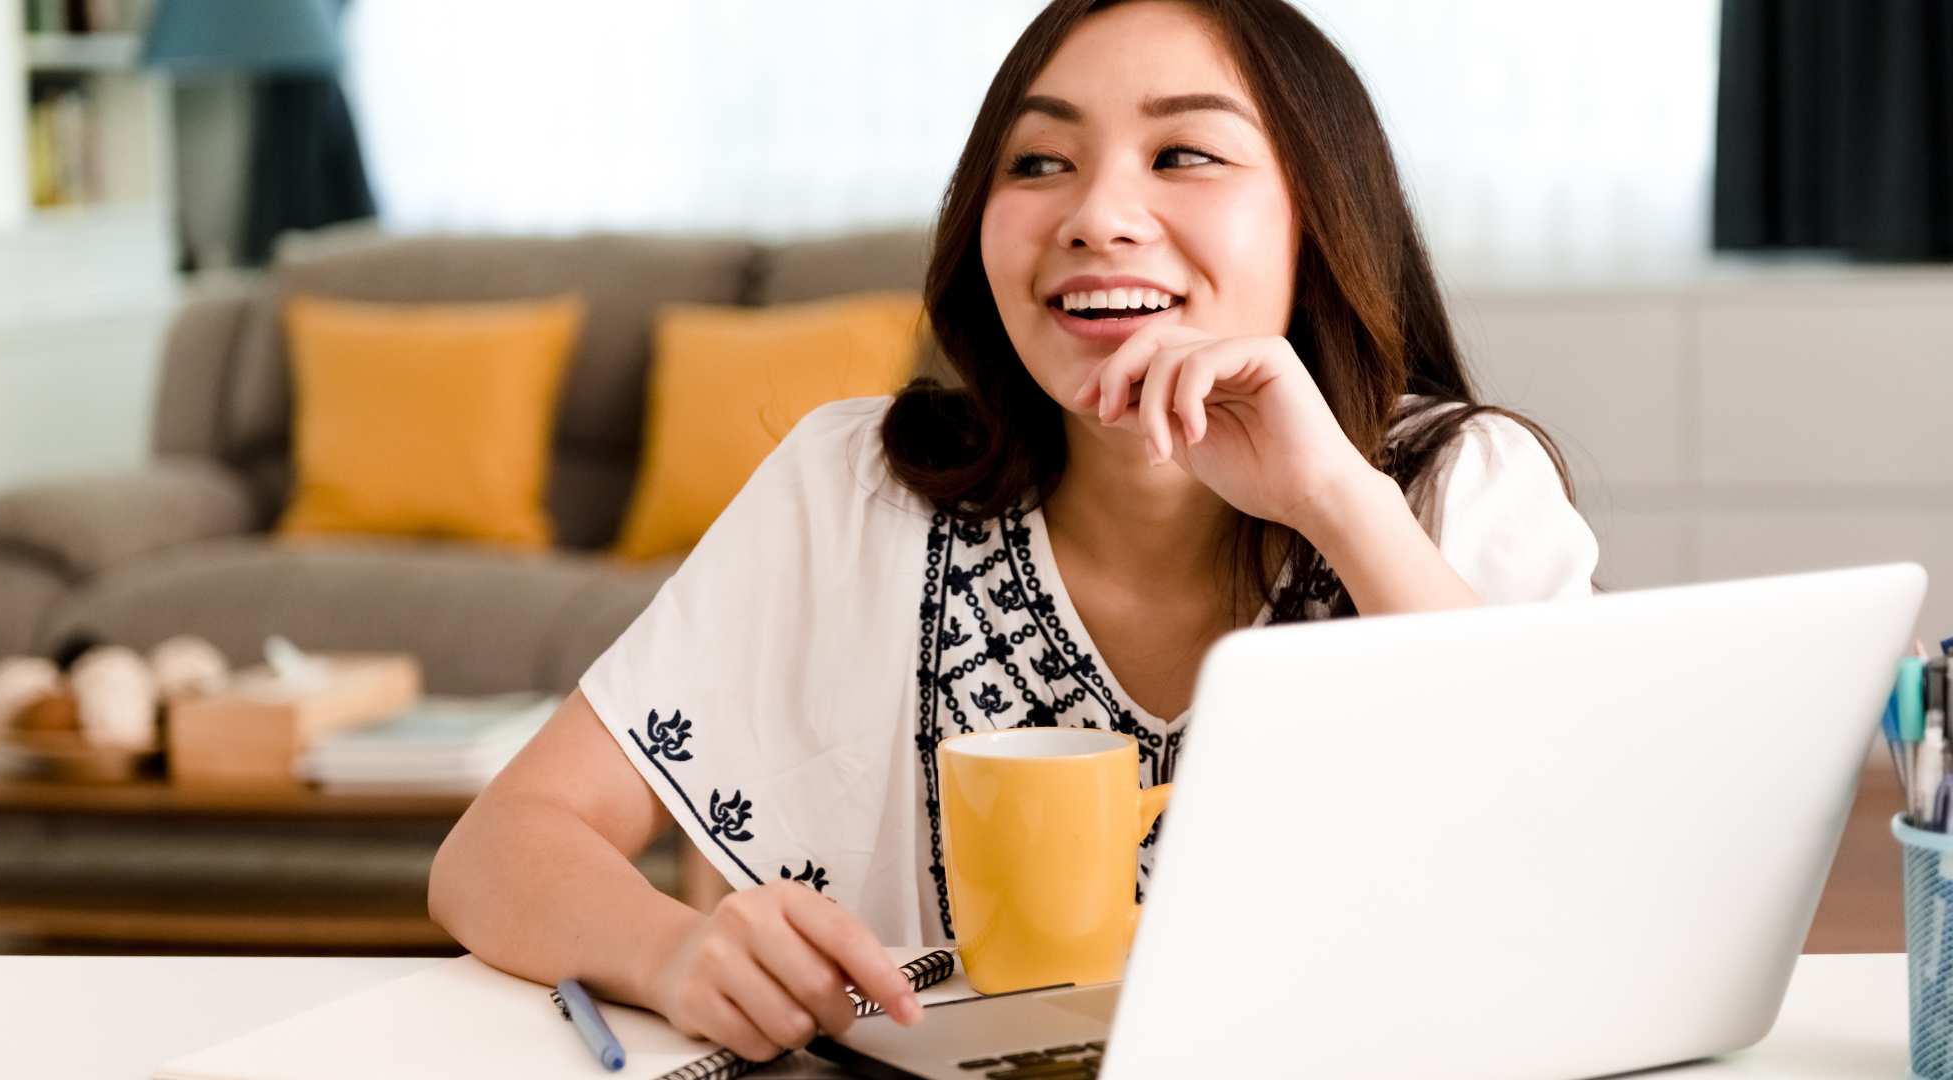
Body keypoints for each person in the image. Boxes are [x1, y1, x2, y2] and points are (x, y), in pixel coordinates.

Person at [429, 0, 1599, 1063]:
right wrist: (676, 952)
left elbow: (1571, 871)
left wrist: (1336, 500)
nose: (1096, 216)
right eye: (1038, 163)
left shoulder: (1462, 484)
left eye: (1183, 153)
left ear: (1317, 214)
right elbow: (498, 849)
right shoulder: (855, 487)